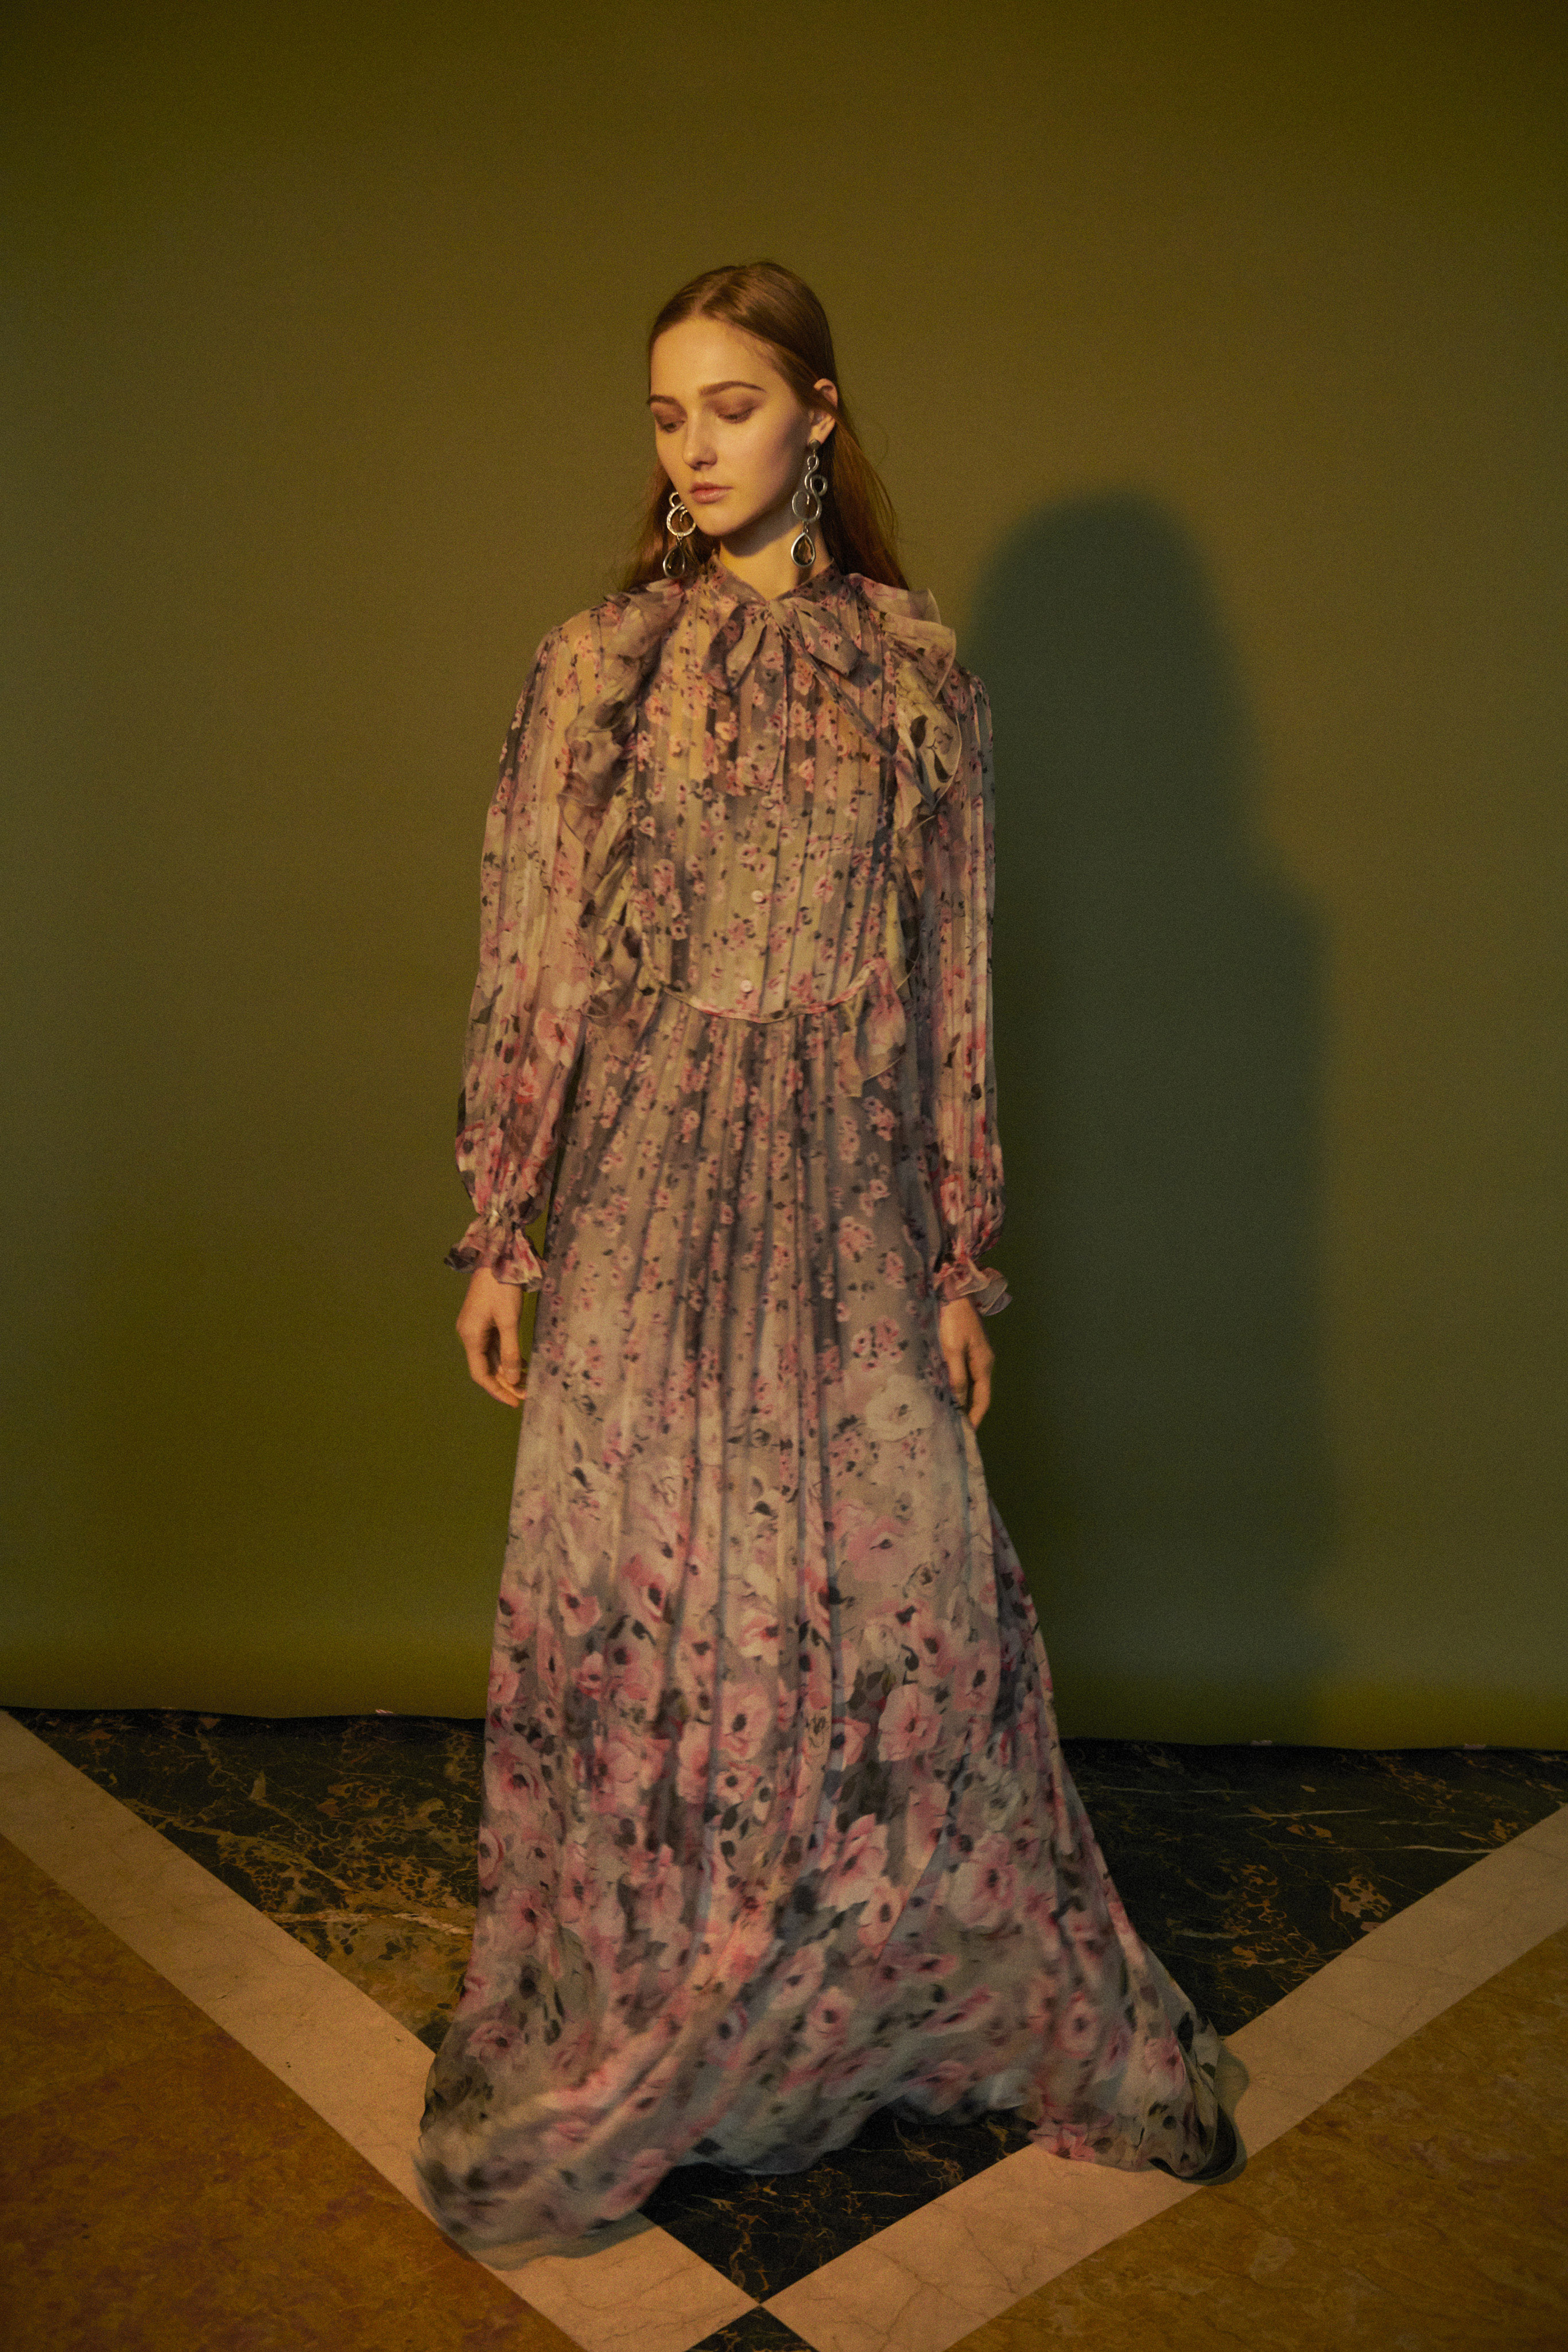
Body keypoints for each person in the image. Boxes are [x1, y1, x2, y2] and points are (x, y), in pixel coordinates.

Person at [416, 261, 1244, 2261]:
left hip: (848, 1184)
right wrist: (500, 1219)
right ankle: (654, 1992)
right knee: (649, 1585)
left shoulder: (914, 676)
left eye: (730, 405)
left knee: (888, 1590)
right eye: (665, 414)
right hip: (647, 1183)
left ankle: (854, 1978)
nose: (692, 448)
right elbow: (534, 950)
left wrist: (959, 1251)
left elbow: (951, 974)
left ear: (817, 412)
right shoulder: (602, 666)